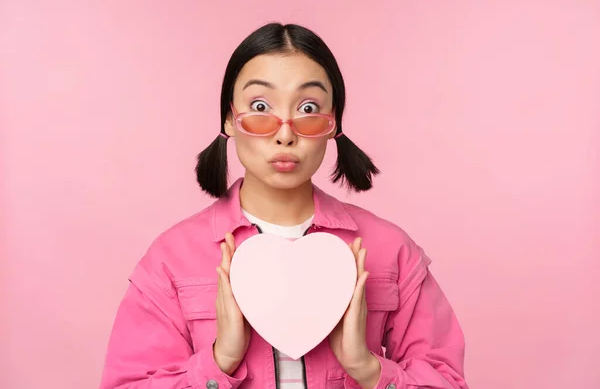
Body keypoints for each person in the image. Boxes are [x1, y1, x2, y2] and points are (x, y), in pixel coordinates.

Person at [100, 22, 468, 389]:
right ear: (229, 117)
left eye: (308, 107)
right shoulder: (171, 259)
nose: (285, 133)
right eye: (260, 106)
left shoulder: (390, 250)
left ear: (333, 121)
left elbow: (447, 380)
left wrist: (367, 368)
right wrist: (219, 362)